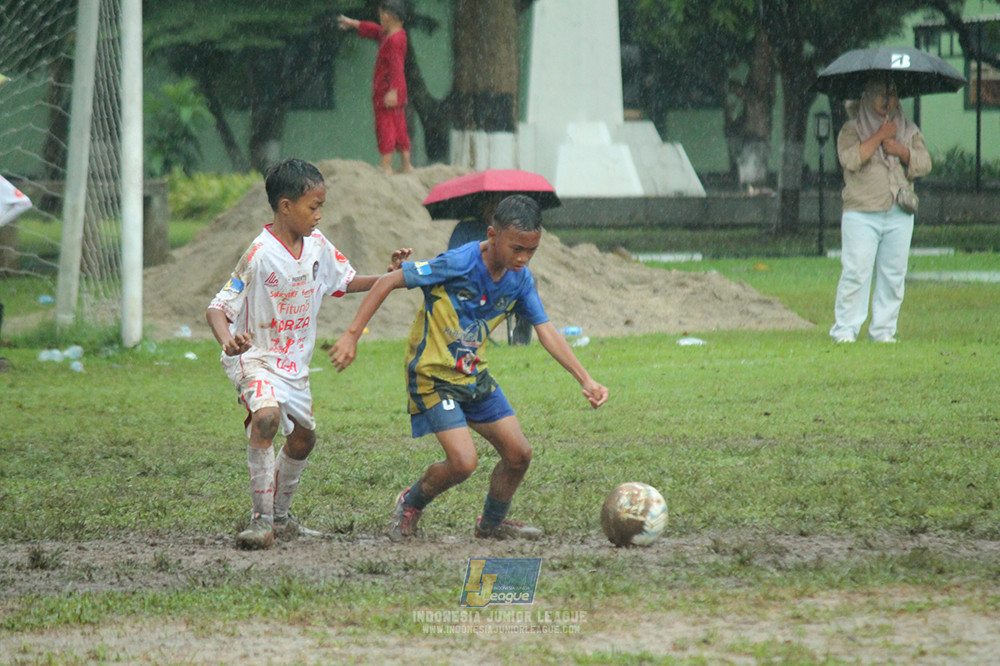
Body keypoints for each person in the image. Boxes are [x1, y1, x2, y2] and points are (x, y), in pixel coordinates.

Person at [329, 194, 609, 541]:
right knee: (463, 462)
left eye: (531, 251)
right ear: (492, 235)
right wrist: (352, 335)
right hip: (433, 377)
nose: (523, 258)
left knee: (519, 455)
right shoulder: (458, 263)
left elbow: (546, 330)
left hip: (474, 376)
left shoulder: (520, 279)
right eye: (516, 248)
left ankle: (491, 524)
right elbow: (389, 281)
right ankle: (410, 502)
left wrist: (586, 379)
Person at [206, 158, 411, 550]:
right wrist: (227, 340)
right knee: (266, 419)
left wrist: (391, 277)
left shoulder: (317, 245)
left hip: (294, 366)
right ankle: (260, 521)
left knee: (303, 440)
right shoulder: (259, 254)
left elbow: (346, 282)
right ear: (286, 206)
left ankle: (281, 519)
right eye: (313, 207)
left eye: (321, 207)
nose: (319, 215)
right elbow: (218, 308)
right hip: (256, 357)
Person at [829, 76, 931, 344]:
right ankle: (845, 329)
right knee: (856, 272)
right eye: (881, 94)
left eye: (892, 94)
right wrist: (879, 136)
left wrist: (901, 151)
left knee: (893, 275)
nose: (888, 100)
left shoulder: (908, 130)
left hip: (899, 212)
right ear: (866, 97)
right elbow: (851, 159)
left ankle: (883, 331)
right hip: (861, 212)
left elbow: (924, 163)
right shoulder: (852, 129)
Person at [338, 0, 413, 175]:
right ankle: (406, 164)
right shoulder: (395, 35)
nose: (380, 19)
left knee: (385, 127)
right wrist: (354, 23)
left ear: (388, 16)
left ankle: (385, 165)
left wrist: (393, 90)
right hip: (396, 90)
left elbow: (396, 66)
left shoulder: (393, 41)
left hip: (387, 91)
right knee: (399, 126)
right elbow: (375, 30)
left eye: (381, 15)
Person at [447, 193, 533, 345]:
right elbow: (453, 259)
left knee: (529, 282)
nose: (495, 212)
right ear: (483, 208)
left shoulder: (511, 232)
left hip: (502, 284)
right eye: (492, 207)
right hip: (471, 283)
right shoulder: (465, 228)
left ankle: (520, 340)